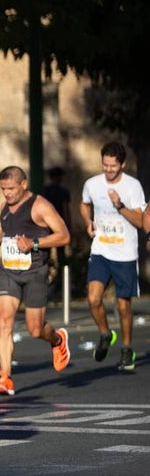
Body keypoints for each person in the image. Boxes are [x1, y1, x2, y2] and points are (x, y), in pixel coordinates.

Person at [0, 166, 71, 395]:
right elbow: (9, 231)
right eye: (3, 189)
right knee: (4, 322)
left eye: (11, 188)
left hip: (35, 272)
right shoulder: (4, 206)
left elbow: (64, 235)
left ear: (24, 185)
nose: (7, 193)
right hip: (9, 271)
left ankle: (57, 340)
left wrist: (33, 244)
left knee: (35, 329)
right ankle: (5, 377)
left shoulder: (40, 206)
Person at [83, 142, 145, 371]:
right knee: (93, 298)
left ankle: (127, 349)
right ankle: (105, 333)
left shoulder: (133, 186)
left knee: (123, 306)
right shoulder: (92, 184)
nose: (108, 170)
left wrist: (119, 205)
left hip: (125, 253)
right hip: (101, 250)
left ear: (122, 164)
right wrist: (87, 221)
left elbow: (140, 221)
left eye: (113, 166)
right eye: (105, 165)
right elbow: (84, 203)